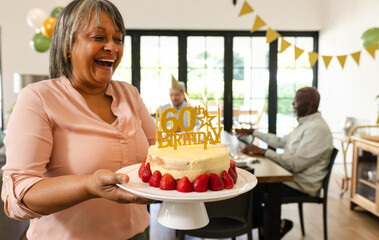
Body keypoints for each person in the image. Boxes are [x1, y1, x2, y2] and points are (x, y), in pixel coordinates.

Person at [1, 1, 155, 239]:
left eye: (119, 39)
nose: (112, 48)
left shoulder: (129, 95)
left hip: (138, 234)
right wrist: (88, 186)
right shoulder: (39, 98)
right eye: (98, 37)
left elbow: (159, 155)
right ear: (68, 45)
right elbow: (18, 196)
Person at [237, 87, 333, 238]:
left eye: (296, 101)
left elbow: (295, 164)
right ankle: (267, 226)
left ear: (309, 104)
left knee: (252, 190)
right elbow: (281, 142)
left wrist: (263, 152)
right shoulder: (306, 124)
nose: (293, 104)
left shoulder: (317, 129)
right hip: (291, 178)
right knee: (252, 187)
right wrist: (254, 132)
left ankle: (267, 228)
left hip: (301, 185)